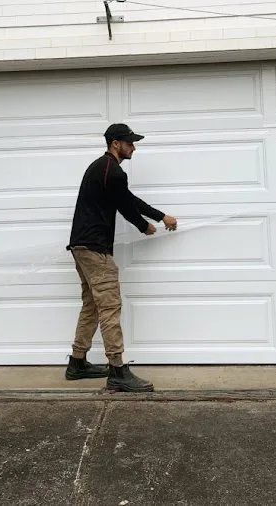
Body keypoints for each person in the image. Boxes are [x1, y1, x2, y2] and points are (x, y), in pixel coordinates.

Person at [64, 123, 178, 392]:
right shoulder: (112, 171)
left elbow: (127, 199)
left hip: (82, 246)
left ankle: (77, 362)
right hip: (95, 249)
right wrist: (144, 225)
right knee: (110, 306)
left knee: (92, 306)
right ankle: (117, 370)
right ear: (115, 143)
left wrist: (160, 216)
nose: (133, 147)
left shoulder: (101, 168)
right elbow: (126, 205)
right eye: (129, 143)